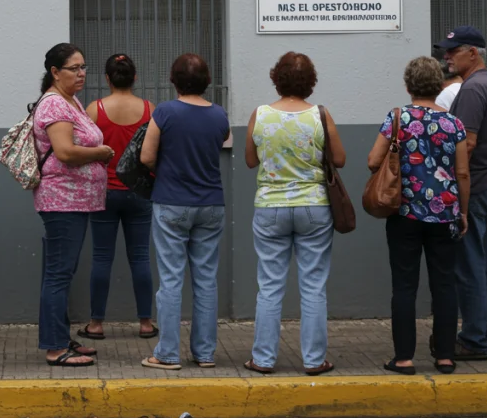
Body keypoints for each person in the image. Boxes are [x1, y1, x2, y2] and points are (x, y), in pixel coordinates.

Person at [368, 57, 470, 375]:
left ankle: (403, 358)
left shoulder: (397, 117)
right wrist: (463, 212)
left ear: (408, 85)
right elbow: (463, 173)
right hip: (446, 213)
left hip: (405, 212)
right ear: (439, 85)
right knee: (445, 284)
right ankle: (445, 356)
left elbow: (373, 160)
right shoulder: (454, 124)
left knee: (404, 286)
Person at [243, 51, 344, 376]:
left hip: (270, 207)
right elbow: (340, 159)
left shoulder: (260, 114)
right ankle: (314, 360)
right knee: (313, 285)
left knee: (270, 285)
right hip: (314, 206)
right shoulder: (320, 115)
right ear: (310, 82)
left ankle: (263, 359)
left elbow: (250, 160)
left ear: (277, 78)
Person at [138, 53, 229, 370]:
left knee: (171, 279)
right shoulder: (219, 114)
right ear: (207, 81)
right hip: (211, 204)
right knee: (206, 280)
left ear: (173, 80)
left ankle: (167, 353)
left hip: (172, 202)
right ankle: (204, 353)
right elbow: (219, 142)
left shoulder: (165, 111)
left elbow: (146, 156)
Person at [31, 43, 112, 368]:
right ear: (55, 72)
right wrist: (100, 153)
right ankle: (54, 347)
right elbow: (64, 151)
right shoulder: (54, 104)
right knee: (58, 274)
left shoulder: (70, 101)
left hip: (75, 200)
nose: (81, 73)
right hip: (62, 200)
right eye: (74, 68)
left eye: (83, 67)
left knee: (61, 272)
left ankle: (61, 338)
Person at [77, 53, 155, 341]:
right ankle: (145, 323)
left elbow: (82, 146)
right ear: (135, 78)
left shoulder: (94, 109)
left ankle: (96, 324)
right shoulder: (149, 109)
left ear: (107, 79)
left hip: (104, 192)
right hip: (139, 192)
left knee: (101, 257)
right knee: (140, 257)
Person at [440, 26, 487, 361]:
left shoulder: (472, 89)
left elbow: (465, 144)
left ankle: (475, 339)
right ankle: (479, 333)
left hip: (475, 187)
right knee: (479, 265)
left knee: (468, 266)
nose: (447, 57)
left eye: (453, 51)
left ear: (473, 53)